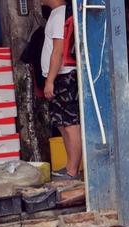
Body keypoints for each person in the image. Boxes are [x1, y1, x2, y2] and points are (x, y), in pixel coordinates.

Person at [41, 0, 82, 180]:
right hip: (58, 77)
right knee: (62, 124)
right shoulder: (56, 13)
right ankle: (69, 166)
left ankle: (73, 170)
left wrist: (50, 80)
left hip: (63, 77)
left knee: (70, 125)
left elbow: (58, 51)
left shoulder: (60, 14)